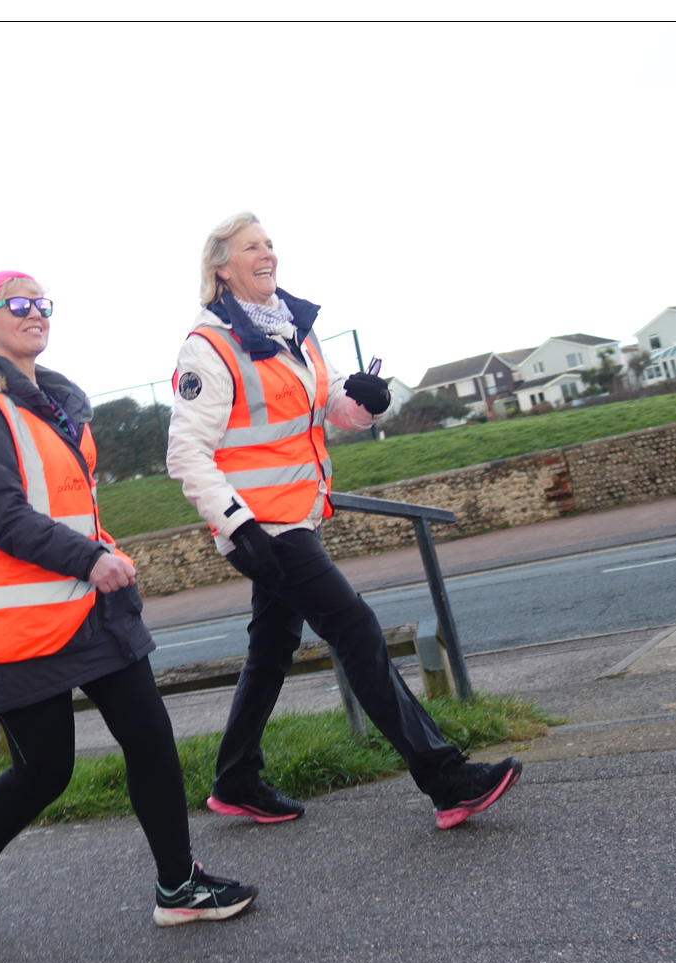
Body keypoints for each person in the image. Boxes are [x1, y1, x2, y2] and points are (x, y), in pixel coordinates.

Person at [0, 270, 257, 942]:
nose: (35, 311)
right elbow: (2, 517)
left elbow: (70, 507)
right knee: (46, 772)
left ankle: (177, 885)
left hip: (89, 609)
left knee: (151, 740)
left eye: (42, 302)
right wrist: (89, 559)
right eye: (17, 303)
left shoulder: (52, 405)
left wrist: (103, 558)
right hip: (19, 625)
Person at [166, 213, 522, 830]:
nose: (268, 253)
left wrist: (362, 403)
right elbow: (185, 453)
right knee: (355, 629)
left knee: (272, 647)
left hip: (297, 515)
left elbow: (324, 409)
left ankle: (235, 778)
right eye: (252, 246)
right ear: (221, 266)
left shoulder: (294, 329)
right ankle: (445, 779)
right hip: (265, 529)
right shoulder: (209, 345)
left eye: (271, 243)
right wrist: (238, 526)